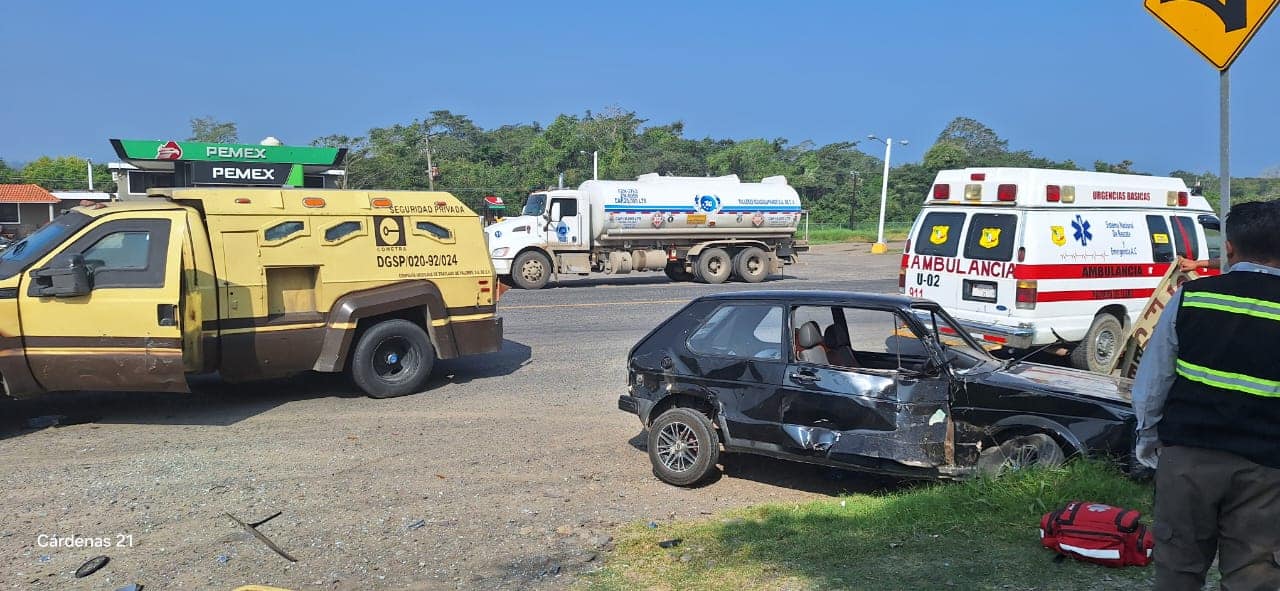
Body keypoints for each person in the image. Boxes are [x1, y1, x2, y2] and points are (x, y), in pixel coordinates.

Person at [1132, 198, 1280, 590]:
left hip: (1187, 458)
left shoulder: (1191, 297)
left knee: (1178, 568)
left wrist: (1148, 437)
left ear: (1228, 248)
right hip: (1267, 467)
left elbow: (1153, 381)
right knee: (1254, 573)